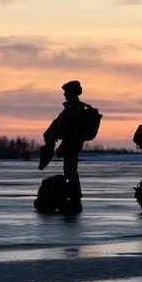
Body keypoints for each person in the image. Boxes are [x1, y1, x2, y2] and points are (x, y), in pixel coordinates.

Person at [42, 80, 96, 213]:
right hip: (70, 144)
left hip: (72, 144)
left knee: (71, 172)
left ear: (72, 93)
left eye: (66, 92)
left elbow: (69, 127)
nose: (64, 95)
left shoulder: (75, 109)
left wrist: (56, 135)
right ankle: (74, 200)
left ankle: (75, 201)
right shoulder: (72, 108)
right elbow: (61, 125)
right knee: (70, 171)